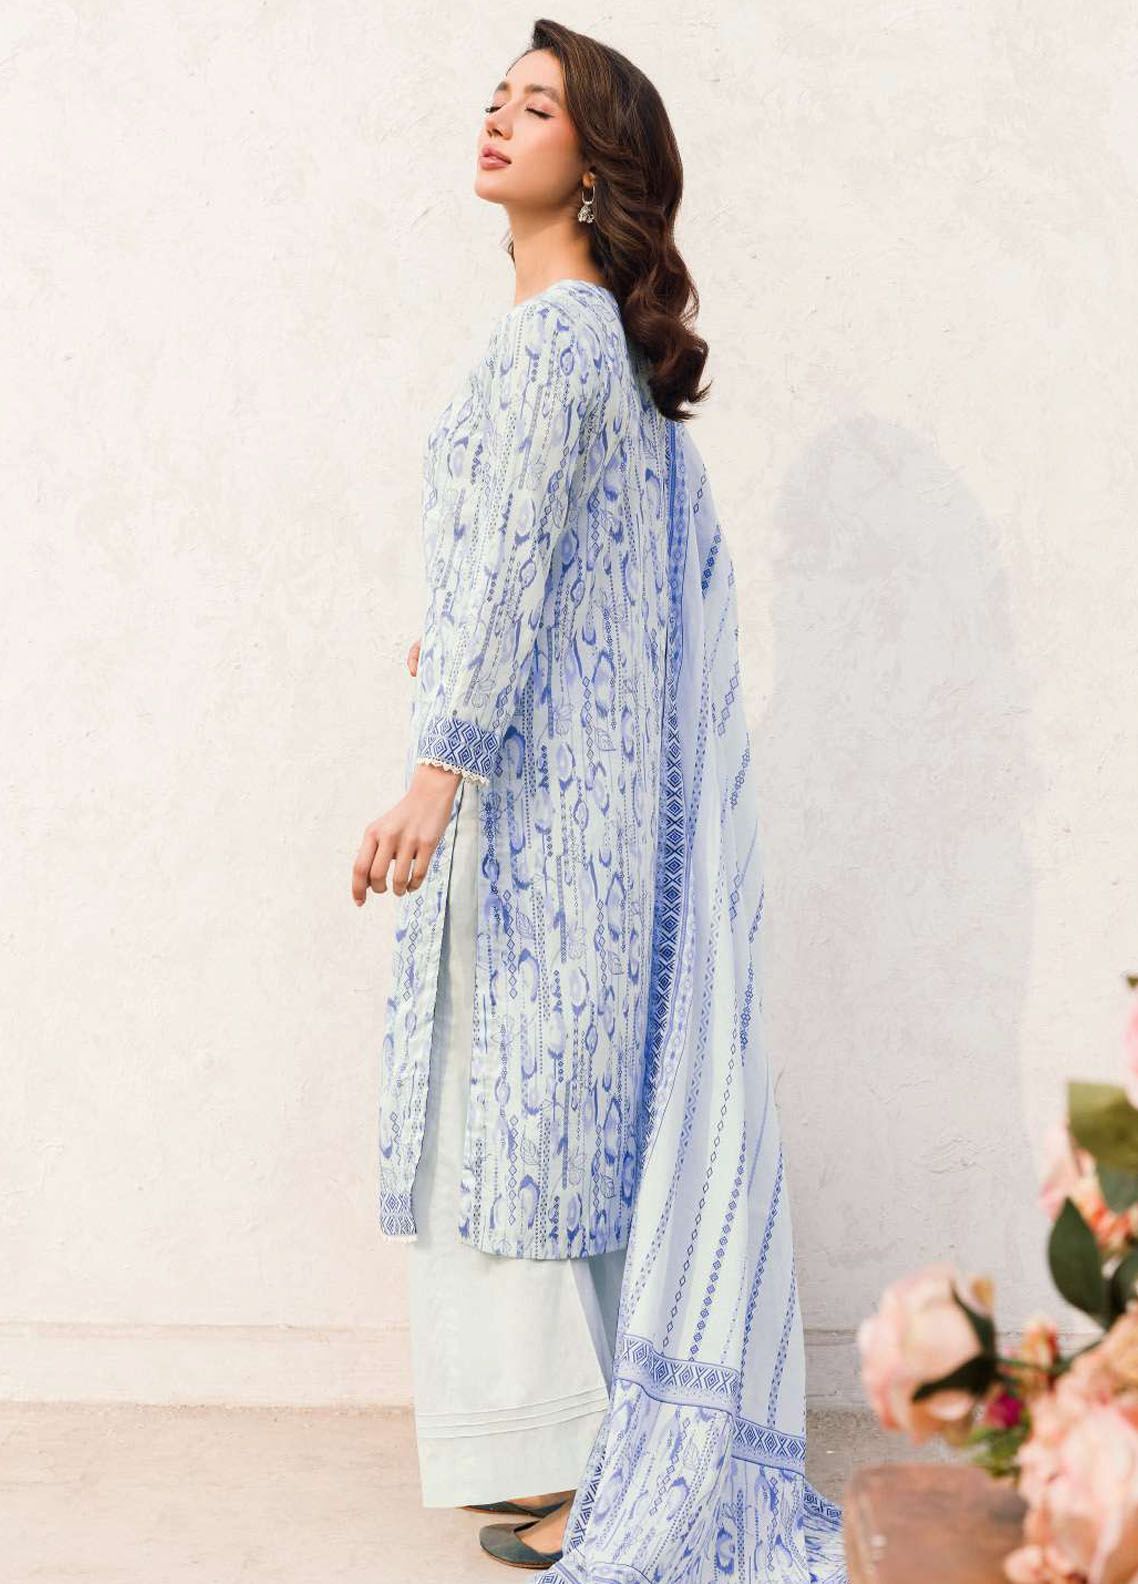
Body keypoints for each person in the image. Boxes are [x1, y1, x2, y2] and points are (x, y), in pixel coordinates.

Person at [352, 20, 848, 1583]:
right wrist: (456, 656)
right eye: (496, 97)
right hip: (577, 806)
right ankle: (586, 1449)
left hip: (535, 816)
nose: (500, 119)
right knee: (555, 1121)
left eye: (539, 106)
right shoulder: (593, 353)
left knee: (523, 1127)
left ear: (596, 164)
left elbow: (510, 566)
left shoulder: (555, 340)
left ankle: (589, 1467)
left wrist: (435, 771)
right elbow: (569, 579)